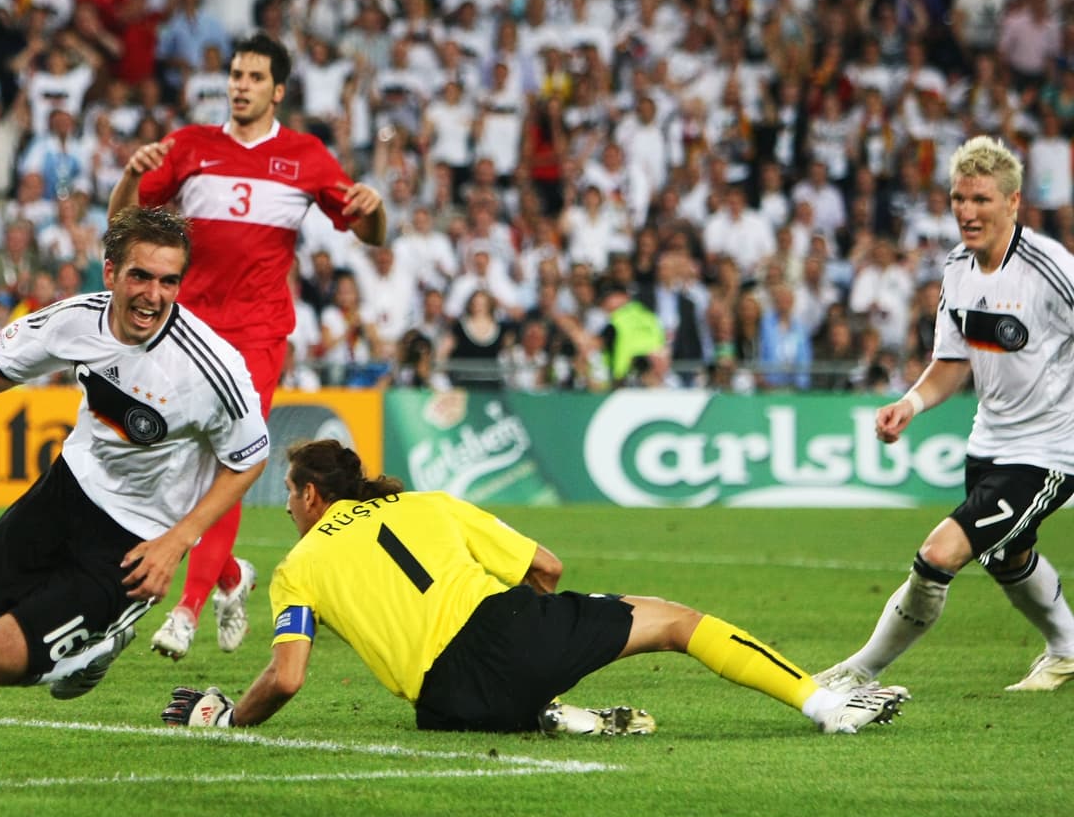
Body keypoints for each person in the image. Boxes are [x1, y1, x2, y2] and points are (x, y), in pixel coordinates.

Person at [0, 207, 269, 776]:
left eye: (169, 281)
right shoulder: (79, 318)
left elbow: (249, 458)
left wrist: (178, 541)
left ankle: (103, 639)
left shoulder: (211, 366)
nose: (154, 295)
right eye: (141, 276)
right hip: (67, 491)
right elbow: (3, 364)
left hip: (136, 535)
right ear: (111, 271)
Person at [160, 440, 909, 736]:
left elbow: (287, 677)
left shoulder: (297, 569)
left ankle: (551, 713)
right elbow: (547, 568)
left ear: (313, 498)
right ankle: (824, 705)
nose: (288, 508)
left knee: (505, 696)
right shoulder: (430, 504)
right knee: (678, 622)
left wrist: (229, 719)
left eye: (290, 496)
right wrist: (553, 637)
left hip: (443, 705)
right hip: (510, 631)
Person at [107, 31, 386, 661]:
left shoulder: (306, 156)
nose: (240, 84)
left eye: (254, 77)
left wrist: (375, 209)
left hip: (258, 336)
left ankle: (186, 609)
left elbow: (368, 231)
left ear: (278, 90)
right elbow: (121, 225)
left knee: (228, 465)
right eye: (235, 74)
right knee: (166, 471)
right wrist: (130, 174)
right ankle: (230, 574)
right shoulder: (189, 147)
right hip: (184, 332)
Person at [815, 136, 1074, 695]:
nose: (966, 211)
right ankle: (1068, 652)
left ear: (1013, 202)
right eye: (959, 198)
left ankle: (859, 671)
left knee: (939, 554)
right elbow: (951, 363)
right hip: (988, 444)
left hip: (1049, 452)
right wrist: (909, 404)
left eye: (980, 199)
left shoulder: (1051, 269)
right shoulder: (956, 268)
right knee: (1008, 556)